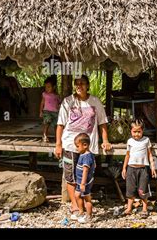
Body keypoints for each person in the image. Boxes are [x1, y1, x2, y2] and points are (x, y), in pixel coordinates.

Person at [54, 74, 112, 215]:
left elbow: (102, 122)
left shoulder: (95, 102)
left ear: (88, 85)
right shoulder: (68, 101)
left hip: (88, 147)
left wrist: (105, 140)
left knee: (85, 176)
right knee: (71, 176)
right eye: (77, 83)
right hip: (69, 144)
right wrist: (58, 144)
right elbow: (60, 124)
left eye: (82, 83)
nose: (79, 86)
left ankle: (84, 203)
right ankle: (74, 205)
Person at [122, 119, 157, 217]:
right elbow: (127, 155)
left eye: (139, 131)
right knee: (130, 189)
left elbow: (149, 154)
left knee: (143, 189)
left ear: (142, 131)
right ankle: (129, 208)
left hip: (143, 169)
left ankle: (144, 209)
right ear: (131, 131)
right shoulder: (130, 141)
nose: (136, 134)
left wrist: (152, 167)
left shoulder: (146, 140)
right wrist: (124, 168)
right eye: (134, 131)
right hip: (131, 169)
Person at [73, 133, 96, 223]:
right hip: (79, 181)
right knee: (77, 195)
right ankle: (81, 211)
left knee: (87, 199)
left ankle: (89, 216)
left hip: (84, 182)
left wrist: (83, 183)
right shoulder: (83, 154)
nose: (76, 148)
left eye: (77, 146)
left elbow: (85, 171)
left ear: (85, 145)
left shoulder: (87, 156)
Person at [39, 76, 60, 142]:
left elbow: (59, 103)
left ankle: (57, 137)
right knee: (47, 122)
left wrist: (59, 107)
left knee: (56, 125)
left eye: (49, 87)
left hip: (55, 112)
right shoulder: (44, 94)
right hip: (47, 111)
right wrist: (40, 111)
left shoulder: (56, 95)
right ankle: (45, 135)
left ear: (53, 87)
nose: (47, 89)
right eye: (46, 87)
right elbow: (42, 103)